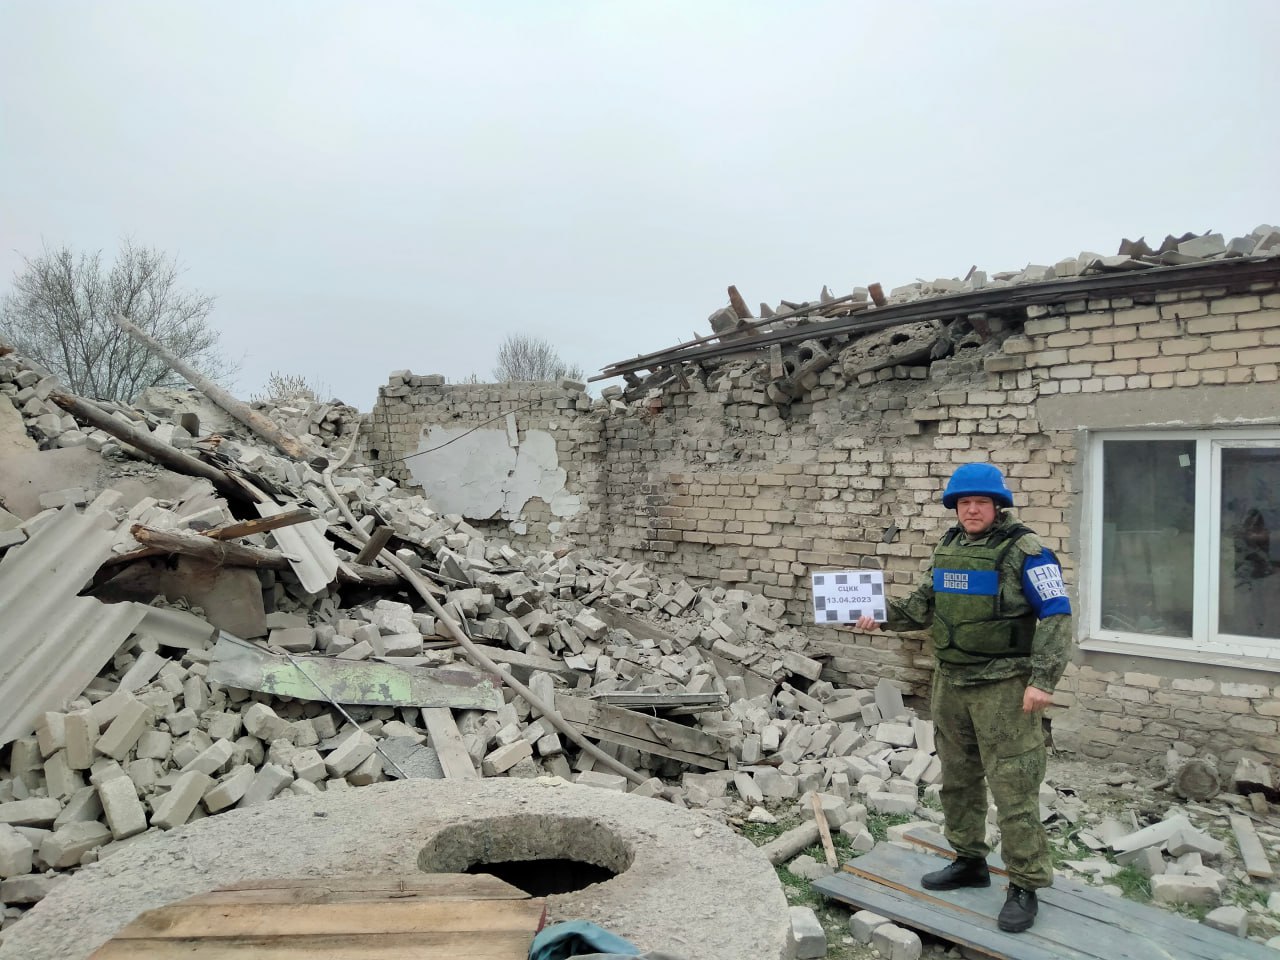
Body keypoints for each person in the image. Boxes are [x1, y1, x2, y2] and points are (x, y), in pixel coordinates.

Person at [854, 462, 1072, 934]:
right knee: (958, 778)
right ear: (955, 507)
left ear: (998, 506)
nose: (972, 510)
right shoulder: (948, 547)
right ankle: (969, 859)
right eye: (964, 503)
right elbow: (921, 607)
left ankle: (1025, 884)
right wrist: (876, 613)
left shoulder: (1028, 551)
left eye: (981, 502)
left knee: (1014, 786)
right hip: (951, 681)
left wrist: (1043, 679)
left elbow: (1056, 613)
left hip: (1004, 686)